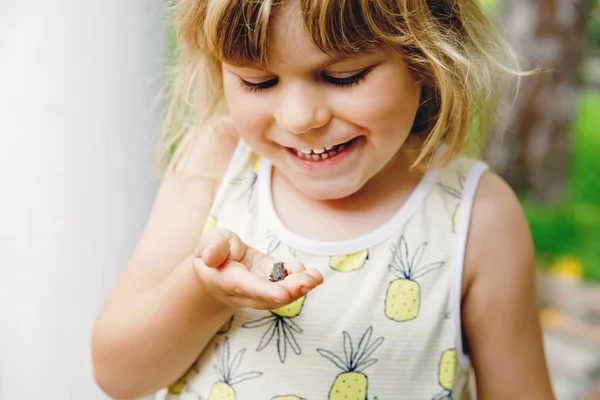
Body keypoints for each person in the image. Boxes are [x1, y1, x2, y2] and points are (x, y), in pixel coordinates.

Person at [92, 1, 556, 399]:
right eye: (258, 82)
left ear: (426, 55)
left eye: (343, 76)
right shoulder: (218, 163)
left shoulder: (477, 216)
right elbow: (117, 374)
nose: (299, 118)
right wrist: (205, 295)